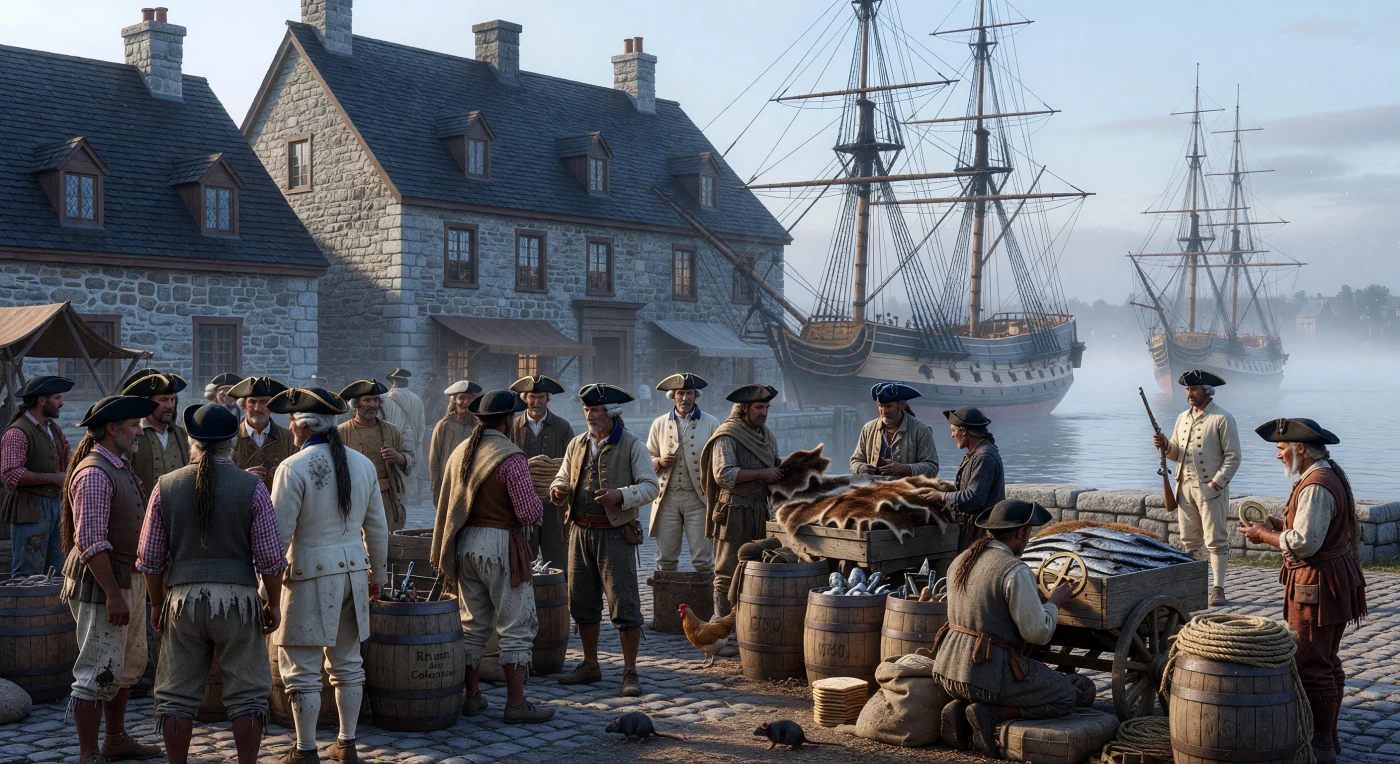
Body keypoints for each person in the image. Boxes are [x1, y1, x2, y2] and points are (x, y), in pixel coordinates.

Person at [137, 404, 286, 764]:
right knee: (248, 695)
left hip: (182, 600)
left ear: (193, 443)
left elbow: (150, 559)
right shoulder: (251, 486)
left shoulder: (166, 486)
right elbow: (271, 558)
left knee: (176, 696)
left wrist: (157, 604)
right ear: (232, 443)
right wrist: (274, 603)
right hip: (238, 601)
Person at [269, 387, 389, 764]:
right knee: (348, 663)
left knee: (302, 669)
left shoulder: (292, 467)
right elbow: (379, 530)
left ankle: (305, 750)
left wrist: (265, 591)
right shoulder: (363, 463)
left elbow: (278, 538)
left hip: (307, 577)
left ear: (301, 426)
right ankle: (346, 744)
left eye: (291, 422)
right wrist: (378, 578)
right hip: (354, 573)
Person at [1243, 418, 1367, 764]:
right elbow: (1315, 530)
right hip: (1328, 578)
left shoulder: (1316, 485)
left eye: (1281, 449)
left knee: (1312, 663)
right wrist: (1276, 525)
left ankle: (1322, 746)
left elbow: (1305, 544)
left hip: (1316, 584)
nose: (1278, 456)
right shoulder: (1326, 474)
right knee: (1326, 661)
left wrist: (1263, 537)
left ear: (1300, 450)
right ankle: (1328, 739)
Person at [431, 389, 554, 723]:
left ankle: (471, 698)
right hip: (500, 547)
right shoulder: (510, 456)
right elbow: (527, 513)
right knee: (517, 623)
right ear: (508, 420)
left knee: (472, 625)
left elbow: (449, 504)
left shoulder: (461, 451)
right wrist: (542, 493)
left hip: (465, 545)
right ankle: (516, 705)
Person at [932, 499, 1084, 758]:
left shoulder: (961, 559)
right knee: (1069, 694)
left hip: (947, 671)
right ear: (1020, 533)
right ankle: (990, 712)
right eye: (1029, 532)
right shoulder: (1014, 570)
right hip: (985, 674)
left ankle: (960, 707)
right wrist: (1054, 603)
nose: (1029, 538)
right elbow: (1037, 632)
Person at [60, 394, 163, 764]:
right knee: (96, 671)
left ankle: (115, 741)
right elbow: (89, 541)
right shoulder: (94, 473)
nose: (139, 432)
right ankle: (89, 755)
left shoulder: (117, 463)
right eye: (134, 426)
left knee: (124, 668)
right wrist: (113, 596)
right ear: (111, 429)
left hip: (126, 577)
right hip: (102, 583)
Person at [548, 384, 658, 697]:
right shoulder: (577, 444)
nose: (589, 416)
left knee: (625, 603)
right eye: (586, 410)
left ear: (610, 413)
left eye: (595, 411)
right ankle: (590, 665)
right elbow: (562, 476)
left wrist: (620, 495)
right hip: (580, 532)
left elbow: (651, 486)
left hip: (615, 537)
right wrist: (557, 489)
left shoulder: (632, 445)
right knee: (582, 602)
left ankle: (630, 671)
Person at [1152, 370, 1240, 606]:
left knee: (1215, 541)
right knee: (1190, 542)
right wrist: (1164, 445)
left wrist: (1216, 483)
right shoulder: (1182, 418)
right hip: (1184, 487)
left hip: (1211, 490)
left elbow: (1233, 457)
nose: (1190, 394)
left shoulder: (1222, 418)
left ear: (1206, 392)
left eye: (1194, 390)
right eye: (1187, 390)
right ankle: (1194, 587)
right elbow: (1176, 453)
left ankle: (1218, 589)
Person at [698, 384, 782, 621]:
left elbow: (774, 464)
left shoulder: (766, 435)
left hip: (760, 509)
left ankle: (747, 624)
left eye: (766, 407)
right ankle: (720, 626)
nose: (763, 412)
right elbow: (723, 474)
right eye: (758, 407)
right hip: (733, 510)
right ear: (744, 409)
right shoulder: (728, 434)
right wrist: (762, 474)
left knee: (757, 565)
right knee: (727, 569)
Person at [645, 373, 719, 574]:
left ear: (695, 396)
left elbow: (720, 459)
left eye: (689, 393)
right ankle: (666, 603)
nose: (685, 398)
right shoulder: (659, 423)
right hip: (666, 498)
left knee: (703, 560)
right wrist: (658, 461)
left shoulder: (712, 423)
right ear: (672, 396)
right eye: (680, 393)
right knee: (665, 559)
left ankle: (703, 605)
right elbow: (646, 456)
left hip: (699, 499)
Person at [2, 375, 74, 577]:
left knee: (58, 569)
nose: (61, 403)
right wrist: (53, 478)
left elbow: (67, 459)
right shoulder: (17, 432)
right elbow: (11, 475)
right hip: (30, 508)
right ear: (42, 400)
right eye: (57, 398)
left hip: (56, 505)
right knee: (28, 571)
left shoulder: (53, 428)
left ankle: (55, 609)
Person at [509, 375, 575, 569]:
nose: (536, 402)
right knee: (523, 550)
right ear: (525, 399)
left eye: (541, 398)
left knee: (556, 550)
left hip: (554, 502)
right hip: (521, 500)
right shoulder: (512, 427)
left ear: (548, 399)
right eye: (532, 397)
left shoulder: (562, 427)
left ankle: (560, 593)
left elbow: (571, 463)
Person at [918, 407, 1005, 551]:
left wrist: (942, 496)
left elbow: (974, 498)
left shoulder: (984, 457)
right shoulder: (977, 453)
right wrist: (948, 485)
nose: (952, 435)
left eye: (953, 430)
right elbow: (972, 487)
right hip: (974, 529)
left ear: (964, 431)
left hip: (983, 532)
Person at [338, 380, 413, 533]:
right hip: (354, 498)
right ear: (356, 404)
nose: (372, 405)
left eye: (376, 400)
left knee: (386, 541)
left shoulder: (391, 430)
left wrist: (399, 457)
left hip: (386, 498)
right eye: (367, 400)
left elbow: (409, 457)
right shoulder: (341, 433)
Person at [124, 370, 191, 502]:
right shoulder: (132, 436)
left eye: (173, 400)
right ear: (148, 403)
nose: (170, 406)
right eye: (163, 400)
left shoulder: (182, 434)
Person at [849, 381, 939, 478]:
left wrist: (904, 469)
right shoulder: (868, 429)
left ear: (902, 405)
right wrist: (860, 468)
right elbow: (855, 461)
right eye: (881, 406)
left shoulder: (921, 430)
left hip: (906, 490)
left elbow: (932, 467)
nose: (884, 411)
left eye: (888, 406)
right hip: (874, 489)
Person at [229, 376, 296, 489]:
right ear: (244, 405)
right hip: (240, 504)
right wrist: (241, 477)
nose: (257, 408)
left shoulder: (289, 438)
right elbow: (221, 477)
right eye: (252, 402)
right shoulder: (229, 438)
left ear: (272, 406)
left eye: (264, 402)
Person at [429, 380, 482, 506]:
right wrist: (436, 486)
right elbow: (434, 459)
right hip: (449, 482)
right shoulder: (444, 426)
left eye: (469, 398)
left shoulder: (478, 426)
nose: (465, 402)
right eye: (461, 398)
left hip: (471, 483)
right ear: (454, 400)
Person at [381, 369, 427, 505]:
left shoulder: (384, 399)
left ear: (393, 382)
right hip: (410, 442)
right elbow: (421, 425)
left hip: (391, 441)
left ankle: (394, 499)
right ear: (405, 381)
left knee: (391, 471)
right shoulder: (416, 399)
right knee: (407, 471)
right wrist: (418, 443)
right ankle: (403, 498)